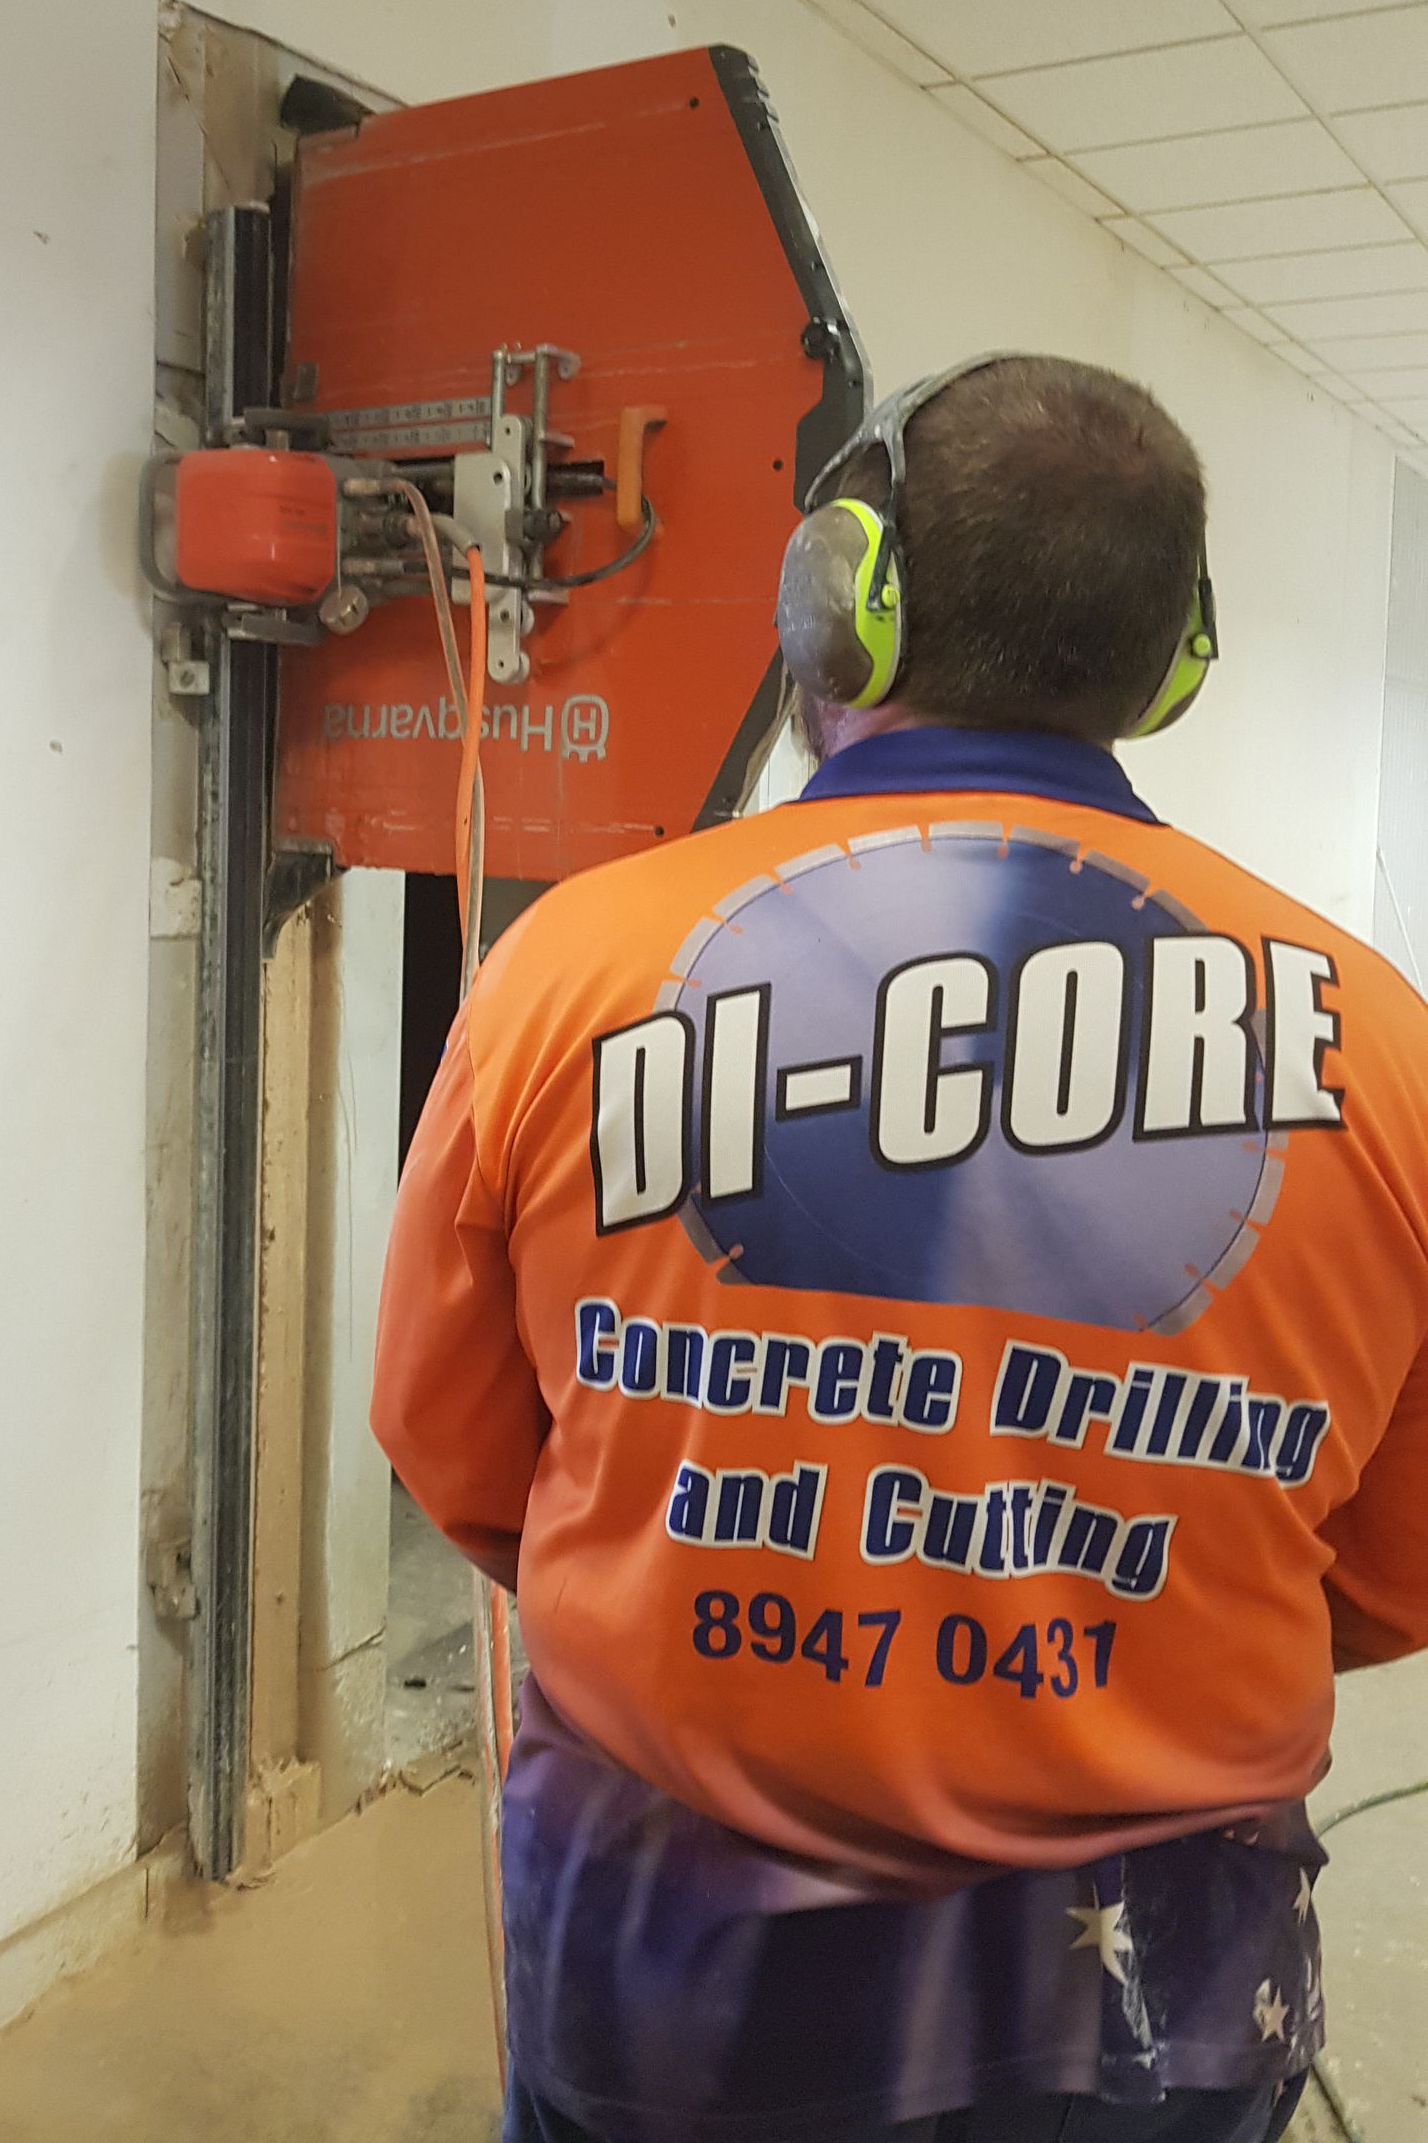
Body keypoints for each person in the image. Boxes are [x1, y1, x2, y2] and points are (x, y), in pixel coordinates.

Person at [372, 354, 1428, 2143]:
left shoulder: (567, 971)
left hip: (660, 1945)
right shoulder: (1384, 1046)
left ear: (834, 602)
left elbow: (458, 1447)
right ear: (1173, 660)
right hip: (1144, 1988)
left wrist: (718, 1565)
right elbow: (1394, 1572)